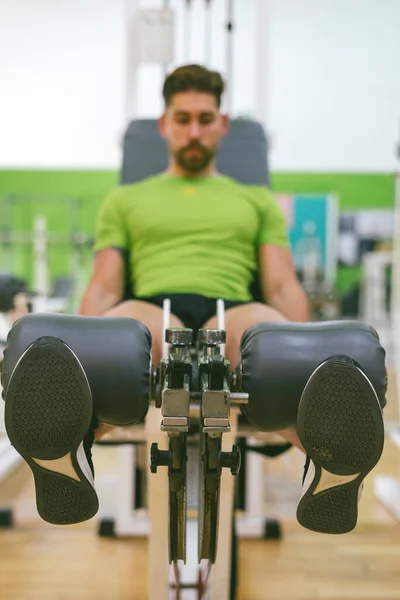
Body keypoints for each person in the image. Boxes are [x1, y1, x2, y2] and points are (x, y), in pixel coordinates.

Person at [3, 65, 384, 534]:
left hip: (234, 307)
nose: (194, 130)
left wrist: (304, 348)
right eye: (183, 118)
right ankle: (64, 449)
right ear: (165, 124)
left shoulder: (256, 201)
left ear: (221, 125)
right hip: (153, 306)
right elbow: (104, 285)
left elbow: (283, 285)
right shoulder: (125, 200)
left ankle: (330, 463)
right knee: (122, 341)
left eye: (205, 118)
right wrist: (83, 350)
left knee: (273, 342)